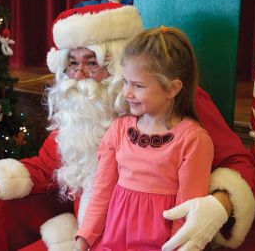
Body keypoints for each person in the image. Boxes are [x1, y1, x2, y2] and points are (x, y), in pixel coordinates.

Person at [0, 2, 255, 251]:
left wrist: (219, 205)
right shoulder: (82, 111)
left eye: (92, 63)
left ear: (118, 62)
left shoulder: (174, 103)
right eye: (72, 64)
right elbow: (51, 165)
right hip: (92, 233)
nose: (79, 76)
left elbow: (239, 164)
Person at [75, 26, 214, 250]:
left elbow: (186, 213)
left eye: (138, 86)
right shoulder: (119, 130)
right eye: (126, 83)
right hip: (112, 244)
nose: (127, 93)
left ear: (172, 88)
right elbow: (101, 192)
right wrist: (83, 241)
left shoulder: (192, 140)